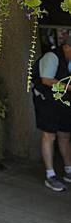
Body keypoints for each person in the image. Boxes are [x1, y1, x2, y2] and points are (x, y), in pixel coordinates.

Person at [32, 36, 71, 191]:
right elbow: (46, 80)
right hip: (46, 99)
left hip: (63, 100)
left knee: (65, 134)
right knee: (50, 134)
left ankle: (68, 170)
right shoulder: (52, 56)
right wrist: (68, 88)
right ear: (67, 47)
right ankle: (50, 174)